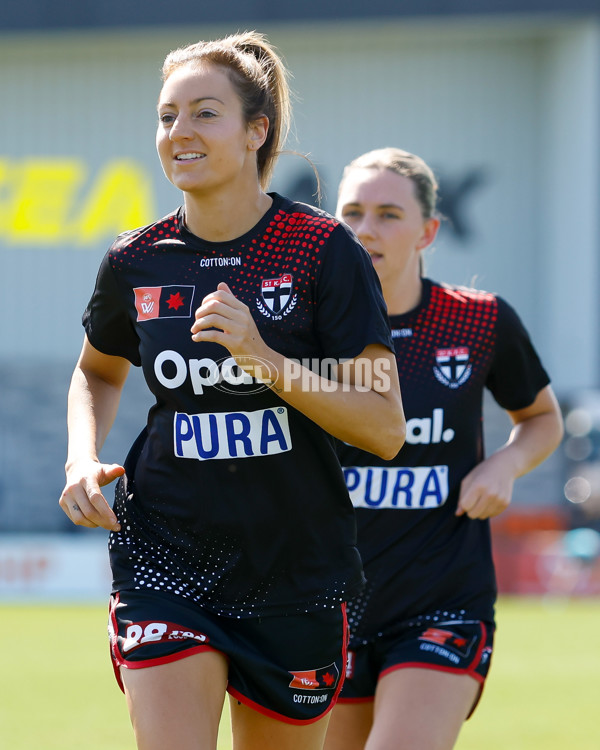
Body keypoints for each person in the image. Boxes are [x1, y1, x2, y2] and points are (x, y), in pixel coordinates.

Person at [59, 35, 405, 750]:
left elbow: (383, 426)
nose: (179, 132)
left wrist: (264, 357)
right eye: (166, 116)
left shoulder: (322, 252)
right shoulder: (135, 259)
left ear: (257, 131)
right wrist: (81, 459)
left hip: (296, 569)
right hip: (165, 553)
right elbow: (97, 369)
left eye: (204, 113)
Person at [325, 147, 564, 750]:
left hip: (442, 604)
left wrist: (505, 464)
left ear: (428, 231)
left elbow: (541, 419)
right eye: (351, 213)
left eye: (387, 214)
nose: (365, 229)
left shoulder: (478, 321)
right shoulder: (305, 328)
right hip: (329, 608)